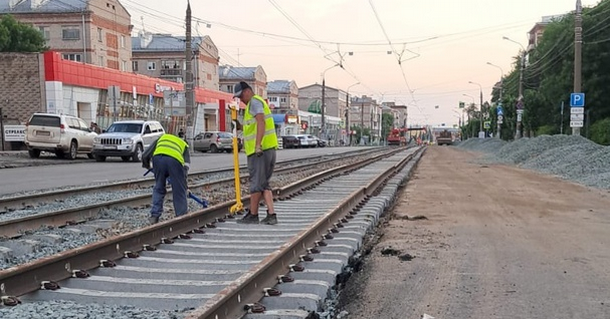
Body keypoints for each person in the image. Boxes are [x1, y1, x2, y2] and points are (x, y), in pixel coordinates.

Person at [233, 81, 278, 225]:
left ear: (247, 91)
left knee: (256, 184)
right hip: (268, 149)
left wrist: (258, 145)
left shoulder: (254, 103)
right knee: (264, 183)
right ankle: (271, 214)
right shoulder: (255, 104)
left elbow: (261, 122)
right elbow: (252, 126)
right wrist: (239, 126)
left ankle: (253, 215)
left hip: (260, 151)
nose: (241, 100)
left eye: (241, 96)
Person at [141, 133, 191, 224]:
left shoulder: (162, 138)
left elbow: (145, 155)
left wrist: (148, 166)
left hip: (158, 158)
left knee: (159, 188)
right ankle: (181, 217)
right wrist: (184, 185)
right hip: (174, 161)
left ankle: (154, 216)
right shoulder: (184, 145)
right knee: (179, 191)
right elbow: (185, 168)